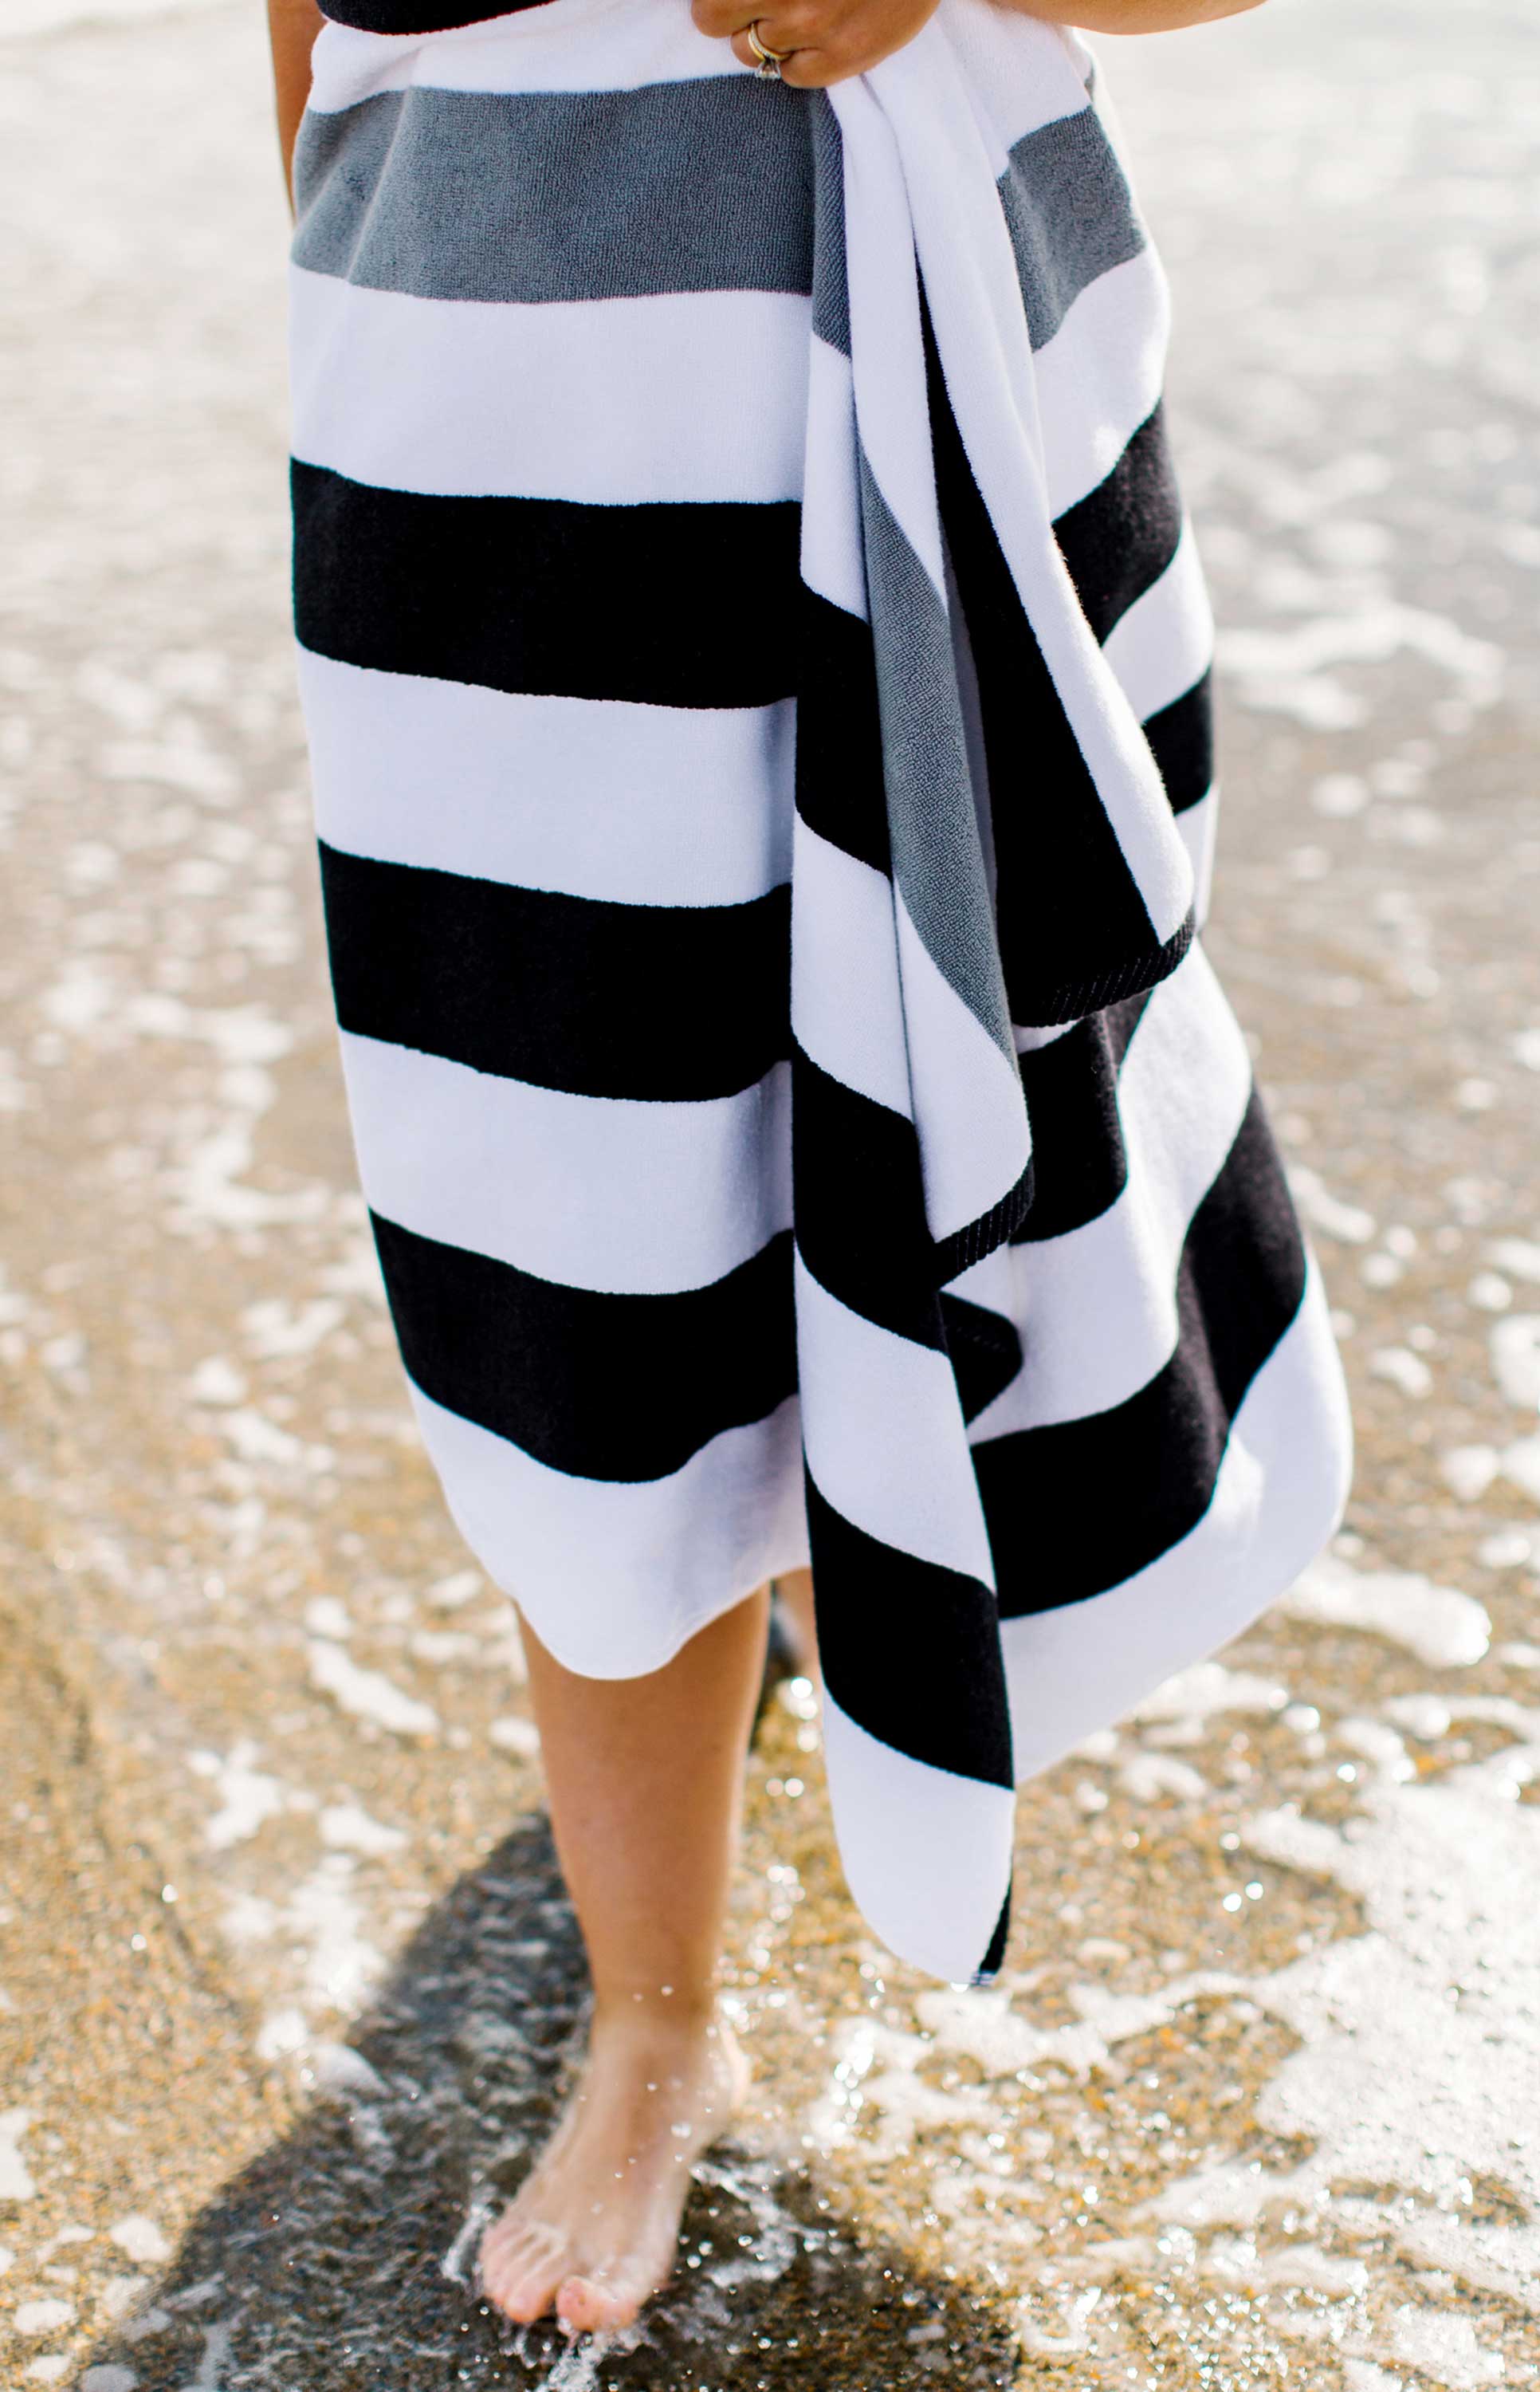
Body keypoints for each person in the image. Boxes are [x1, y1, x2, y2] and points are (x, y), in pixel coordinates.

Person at [264, 0, 1351, 2341]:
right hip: (482, 386)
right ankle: (654, 2015)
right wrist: (358, 283)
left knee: (974, 1092)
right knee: (579, 1220)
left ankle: (864, 1603)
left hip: (959, 376)